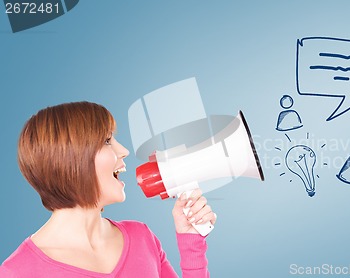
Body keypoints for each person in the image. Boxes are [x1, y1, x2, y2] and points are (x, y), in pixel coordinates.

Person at [0, 101, 216, 277]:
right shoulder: (17, 272)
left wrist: (191, 242)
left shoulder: (142, 237)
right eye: (106, 141)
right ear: (69, 159)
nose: (123, 151)